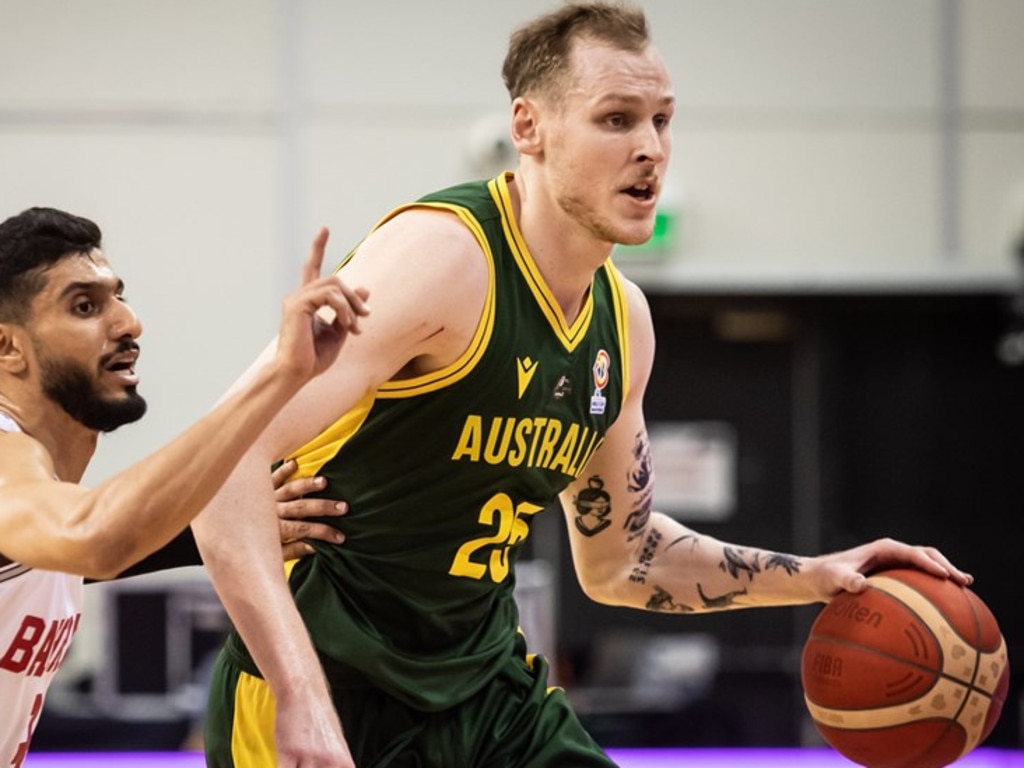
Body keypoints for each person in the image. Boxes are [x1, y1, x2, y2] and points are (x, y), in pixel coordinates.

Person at [193, 3, 974, 767]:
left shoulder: (622, 322)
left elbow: (622, 560)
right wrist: (301, 691)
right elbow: (219, 463)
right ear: (528, 127)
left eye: (662, 120)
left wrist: (814, 577)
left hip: (484, 694)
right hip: (330, 686)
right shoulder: (440, 262)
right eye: (617, 119)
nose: (652, 149)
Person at [0, 206, 369, 766]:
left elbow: (79, 556)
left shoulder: (39, 506)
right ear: (8, 348)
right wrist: (277, 378)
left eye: (119, 296)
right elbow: (92, 537)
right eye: (84, 306)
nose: (128, 323)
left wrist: (211, 529)